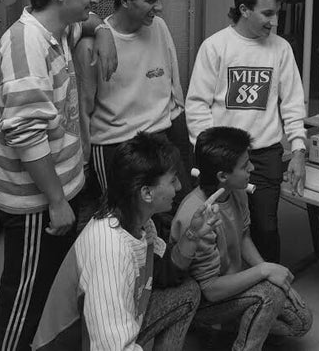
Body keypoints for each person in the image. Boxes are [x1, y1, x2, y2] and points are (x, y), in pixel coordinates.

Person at [0, 0, 118, 350]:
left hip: (61, 190)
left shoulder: (59, 30)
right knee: (23, 295)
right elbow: (26, 135)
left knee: (46, 290)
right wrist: (57, 200)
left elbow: (91, 21)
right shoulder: (25, 45)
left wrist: (105, 31)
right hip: (37, 203)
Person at [32, 132, 218, 350]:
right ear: (147, 193)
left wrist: (193, 235)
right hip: (73, 344)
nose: (178, 187)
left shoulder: (139, 223)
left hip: (98, 333)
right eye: (172, 180)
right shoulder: (110, 249)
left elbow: (164, 273)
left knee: (187, 292)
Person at [185, 0, 307, 262]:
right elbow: (197, 105)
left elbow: (292, 102)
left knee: (265, 228)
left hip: (265, 155)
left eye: (276, 13)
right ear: (244, 9)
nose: (274, 21)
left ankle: (270, 287)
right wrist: (209, 154)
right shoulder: (215, 47)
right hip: (222, 158)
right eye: (267, 13)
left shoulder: (281, 49)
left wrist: (299, 149)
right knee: (220, 226)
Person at [171, 126, 313, 350]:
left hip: (230, 287)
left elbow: (244, 237)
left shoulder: (235, 190)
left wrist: (270, 271)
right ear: (222, 176)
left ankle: (228, 327)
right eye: (245, 165)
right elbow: (210, 289)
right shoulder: (196, 216)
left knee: (301, 321)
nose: (252, 168)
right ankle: (221, 332)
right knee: (271, 294)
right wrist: (264, 271)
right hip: (204, 301)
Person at [74, 0, 189, 226]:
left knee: (174, 214)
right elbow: (84, 108)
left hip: (161, 134)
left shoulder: (159, 27)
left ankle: (164, 267)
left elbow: (174, 83)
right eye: (151, 0)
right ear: (125, 1)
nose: (158, 7)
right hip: (117, 143)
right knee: (129, 222)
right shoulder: (91, 45)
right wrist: (85, 160)